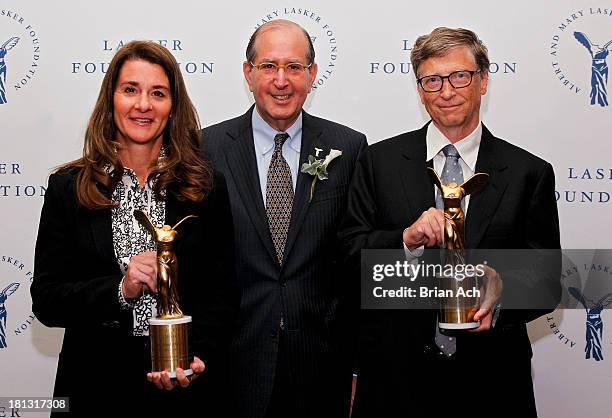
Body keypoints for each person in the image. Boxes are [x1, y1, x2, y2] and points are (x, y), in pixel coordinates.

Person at [340, 27, 561, 417]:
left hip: (492, 381)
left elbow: (547, 282)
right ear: (419, 88)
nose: (447, 91)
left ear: (484, 80)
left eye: (460, 76)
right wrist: (405, 241)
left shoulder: (529, 172)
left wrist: (502, 289)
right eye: (432, 80)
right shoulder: (378, 163)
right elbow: (347, 255)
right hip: (395, 380)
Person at [31, 40, 238, 416]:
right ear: (111, 99)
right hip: (96, 386)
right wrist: (121, 289)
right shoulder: (70, 187)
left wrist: (197, 357)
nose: (143, 105)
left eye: (157, 93)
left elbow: (222, 295)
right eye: (131, 90)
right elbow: (47, 300)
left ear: (173, 106)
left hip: (187, 389)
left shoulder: (204, 186)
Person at [202, 19, 367, 418]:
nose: (281, 80)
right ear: (248, 73)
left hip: (320, 364)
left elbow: (354, 261)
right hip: (231, 363)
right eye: (268, 66)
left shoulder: (348, 148)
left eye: (294, 67)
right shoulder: (206, 149)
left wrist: (358, 363)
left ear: (312, 74)